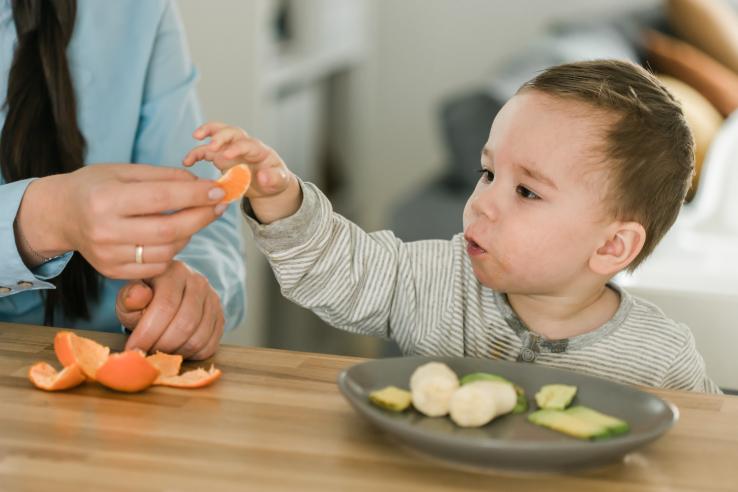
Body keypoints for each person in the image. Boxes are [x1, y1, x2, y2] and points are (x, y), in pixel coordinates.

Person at [184, 59, 720, 393]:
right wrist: (281, 198)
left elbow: (707, 454)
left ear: (611, 246)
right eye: (488, 173)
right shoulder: (436, 278)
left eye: (527, 191)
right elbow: (337, 269)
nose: (481, 203)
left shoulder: (661, 357)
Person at [0, 0, 246, 360]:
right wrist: (42, 219)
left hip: (118, 365)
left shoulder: (142, 8)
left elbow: (211, 231)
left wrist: (187, 288)